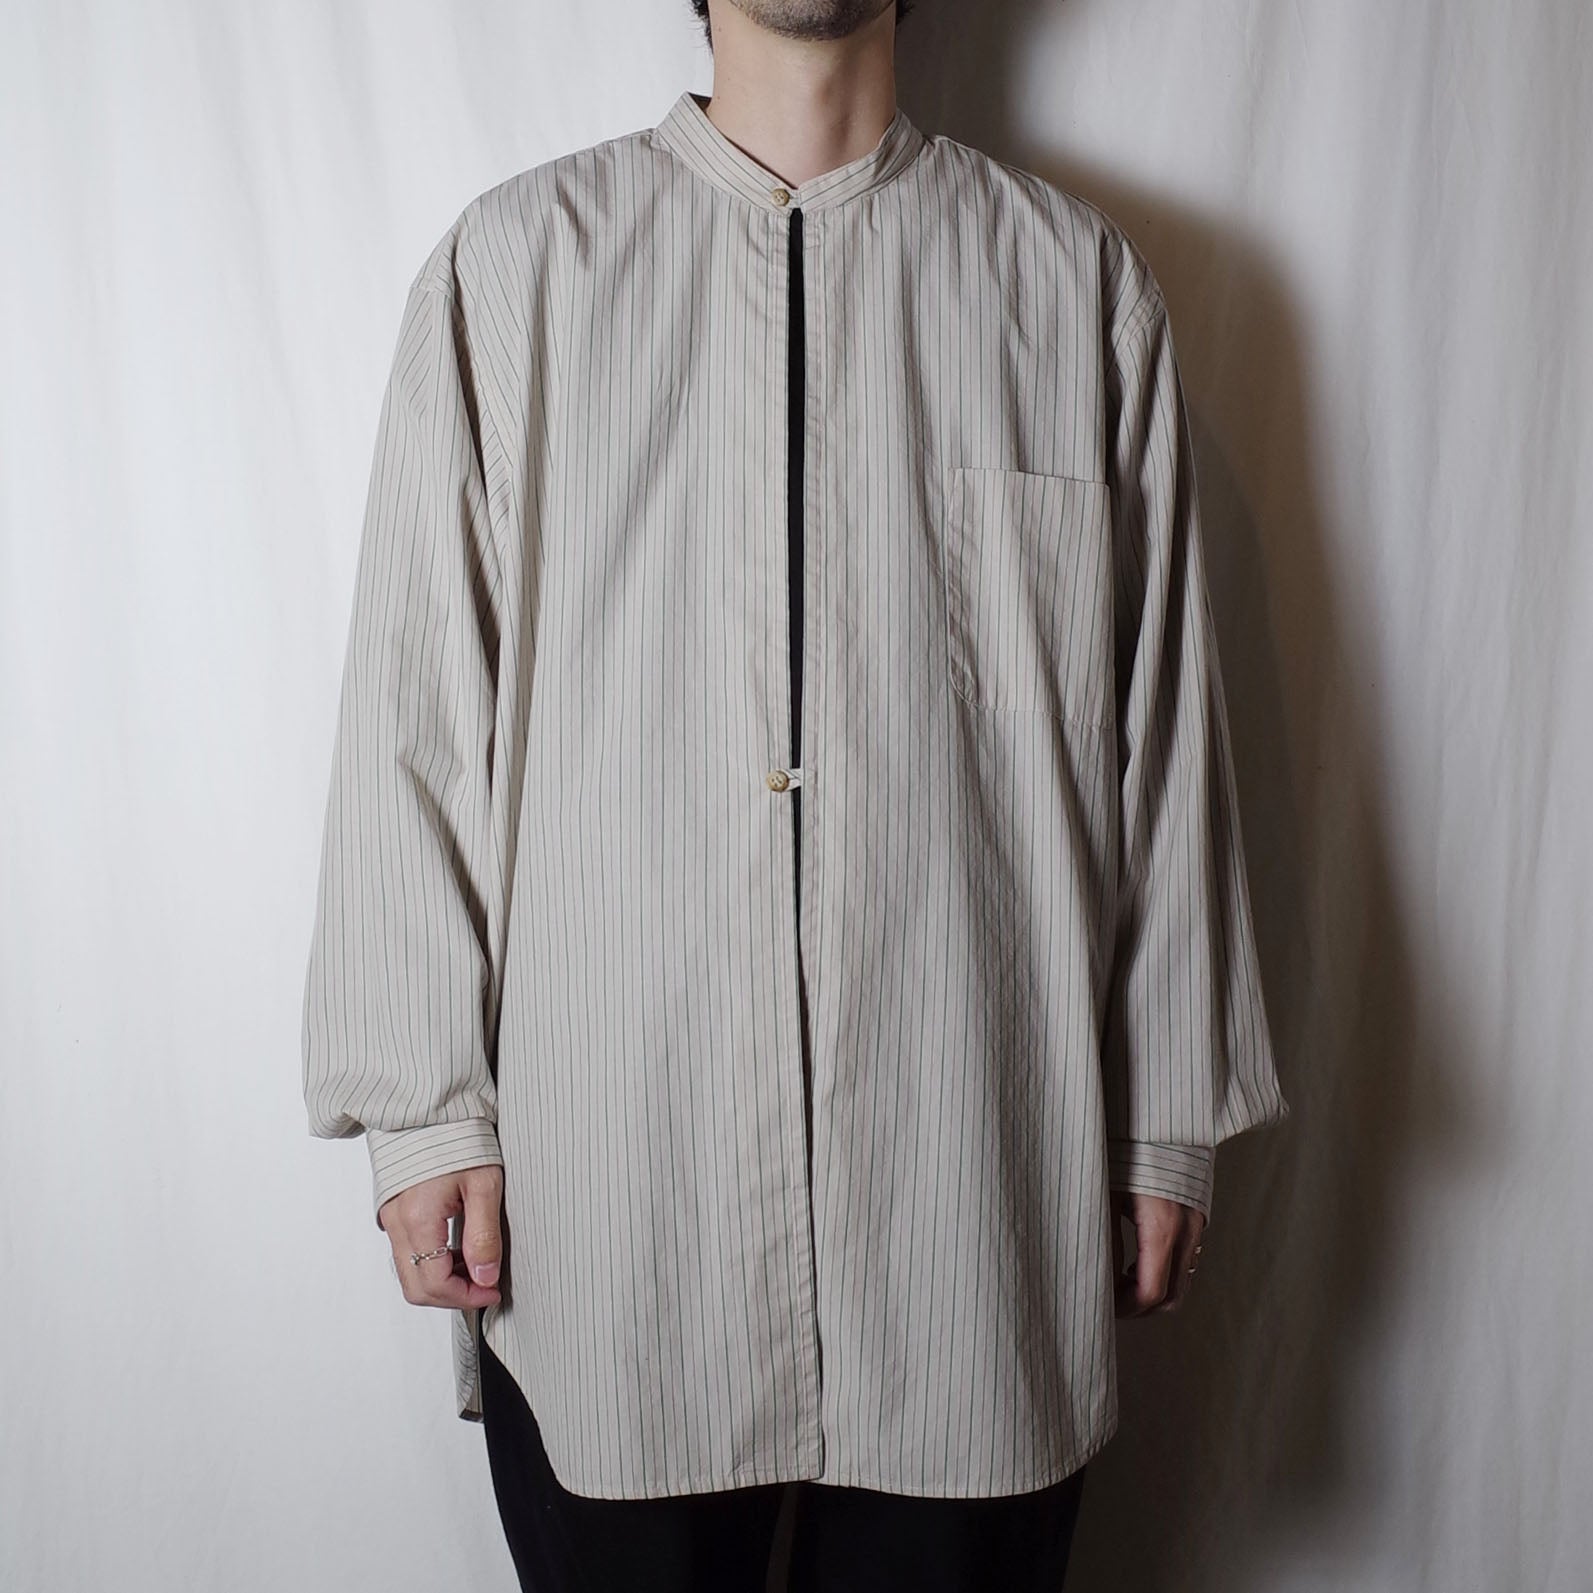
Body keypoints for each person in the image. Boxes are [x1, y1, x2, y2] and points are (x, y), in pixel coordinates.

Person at [301, 1, 1291, 1587]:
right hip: (614, 1225)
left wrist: (1164, 1118)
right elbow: (416, 713)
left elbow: (1159, 727)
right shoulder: (512, 275)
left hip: (970, 1215)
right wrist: (424, 1115)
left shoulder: (1071, 287)